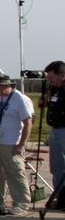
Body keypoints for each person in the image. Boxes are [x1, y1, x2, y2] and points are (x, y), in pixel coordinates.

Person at [0, 74, 34, 215]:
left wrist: (21, 144)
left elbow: (28, 123)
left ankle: (22, 204)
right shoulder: (0, 97)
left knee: (15, 172)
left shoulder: (20, 99)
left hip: (11, 142)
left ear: (6, 85)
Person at [45, 61, 65, 195]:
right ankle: (60, 197)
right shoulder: (55, 89)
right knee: (56, 166)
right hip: (55, 129)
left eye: (52, 77)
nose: (50, 81)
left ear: (62, 75)